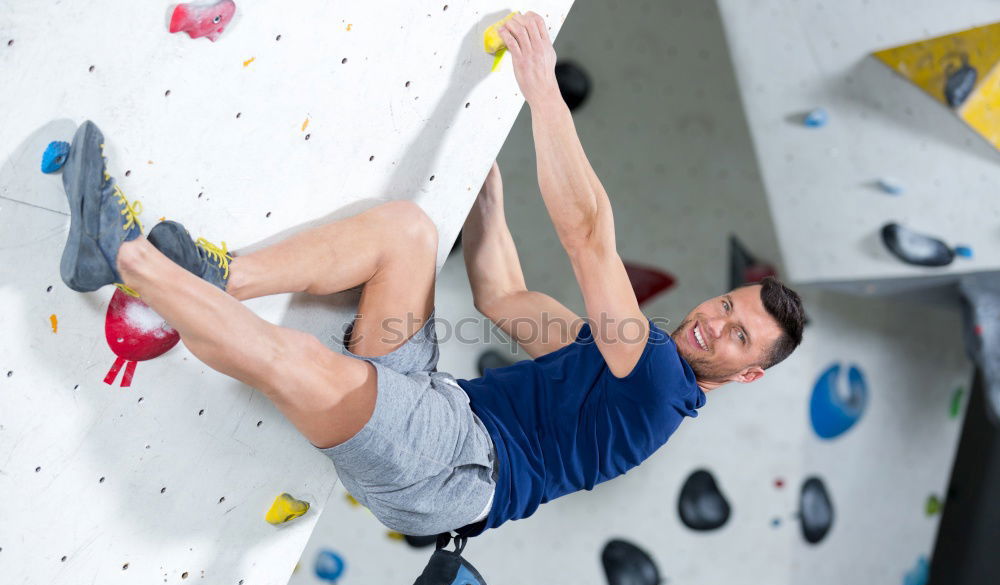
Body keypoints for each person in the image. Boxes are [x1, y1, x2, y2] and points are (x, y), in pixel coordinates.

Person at [56, 12, 805, 539]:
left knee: (304, 365)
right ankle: (222, 277)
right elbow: (503, 296)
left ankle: (126, 260)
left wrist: (539, 87)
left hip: (450, 470)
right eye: (728, 303)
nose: (714, 319)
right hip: (440, 403)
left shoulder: (652, 380)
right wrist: (488, 199)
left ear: (747, 375)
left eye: (739, 336)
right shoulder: (623, 359)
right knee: (408, 233)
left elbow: (587, 239)